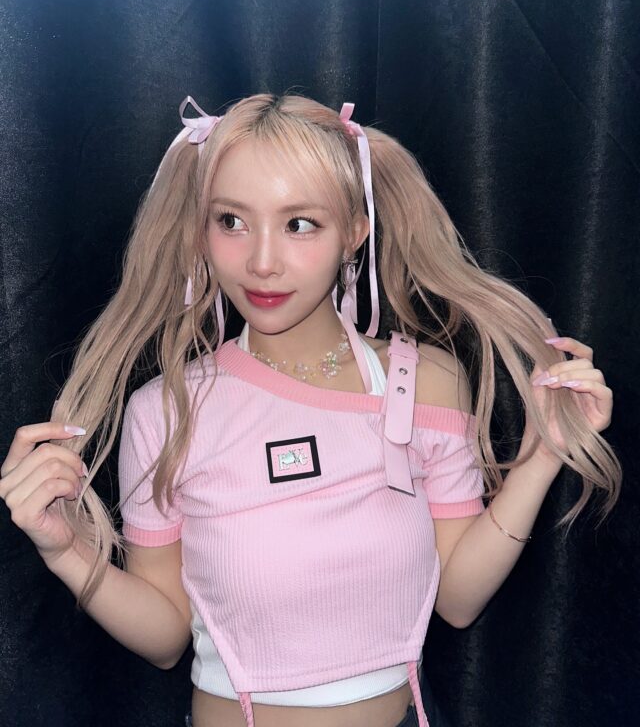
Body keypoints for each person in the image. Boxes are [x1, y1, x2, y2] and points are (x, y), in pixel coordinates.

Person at [0, 93, 620, 727]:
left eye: (299, 224)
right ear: (200, 230)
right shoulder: (165, 411)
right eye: (231, 221)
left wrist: (543, 457)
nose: (262, 261)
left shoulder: (425, 382)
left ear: (354, 231)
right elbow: (164, 639)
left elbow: (458, 601)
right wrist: (64, 549)